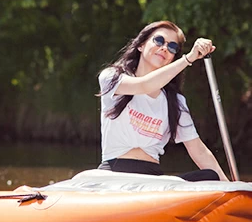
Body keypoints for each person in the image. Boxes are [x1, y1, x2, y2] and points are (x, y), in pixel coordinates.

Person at [98, 20, 228, 181]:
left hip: (152, 179)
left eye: (172, 47)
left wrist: (229, 187)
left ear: (172, 58)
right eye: (159, 40)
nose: (165, 48)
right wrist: (189, 59)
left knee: (210, 176)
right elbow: (144, 85)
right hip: (114, 172)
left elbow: (198, 150)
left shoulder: (175, 101)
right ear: (141, 45)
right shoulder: (112, 77)